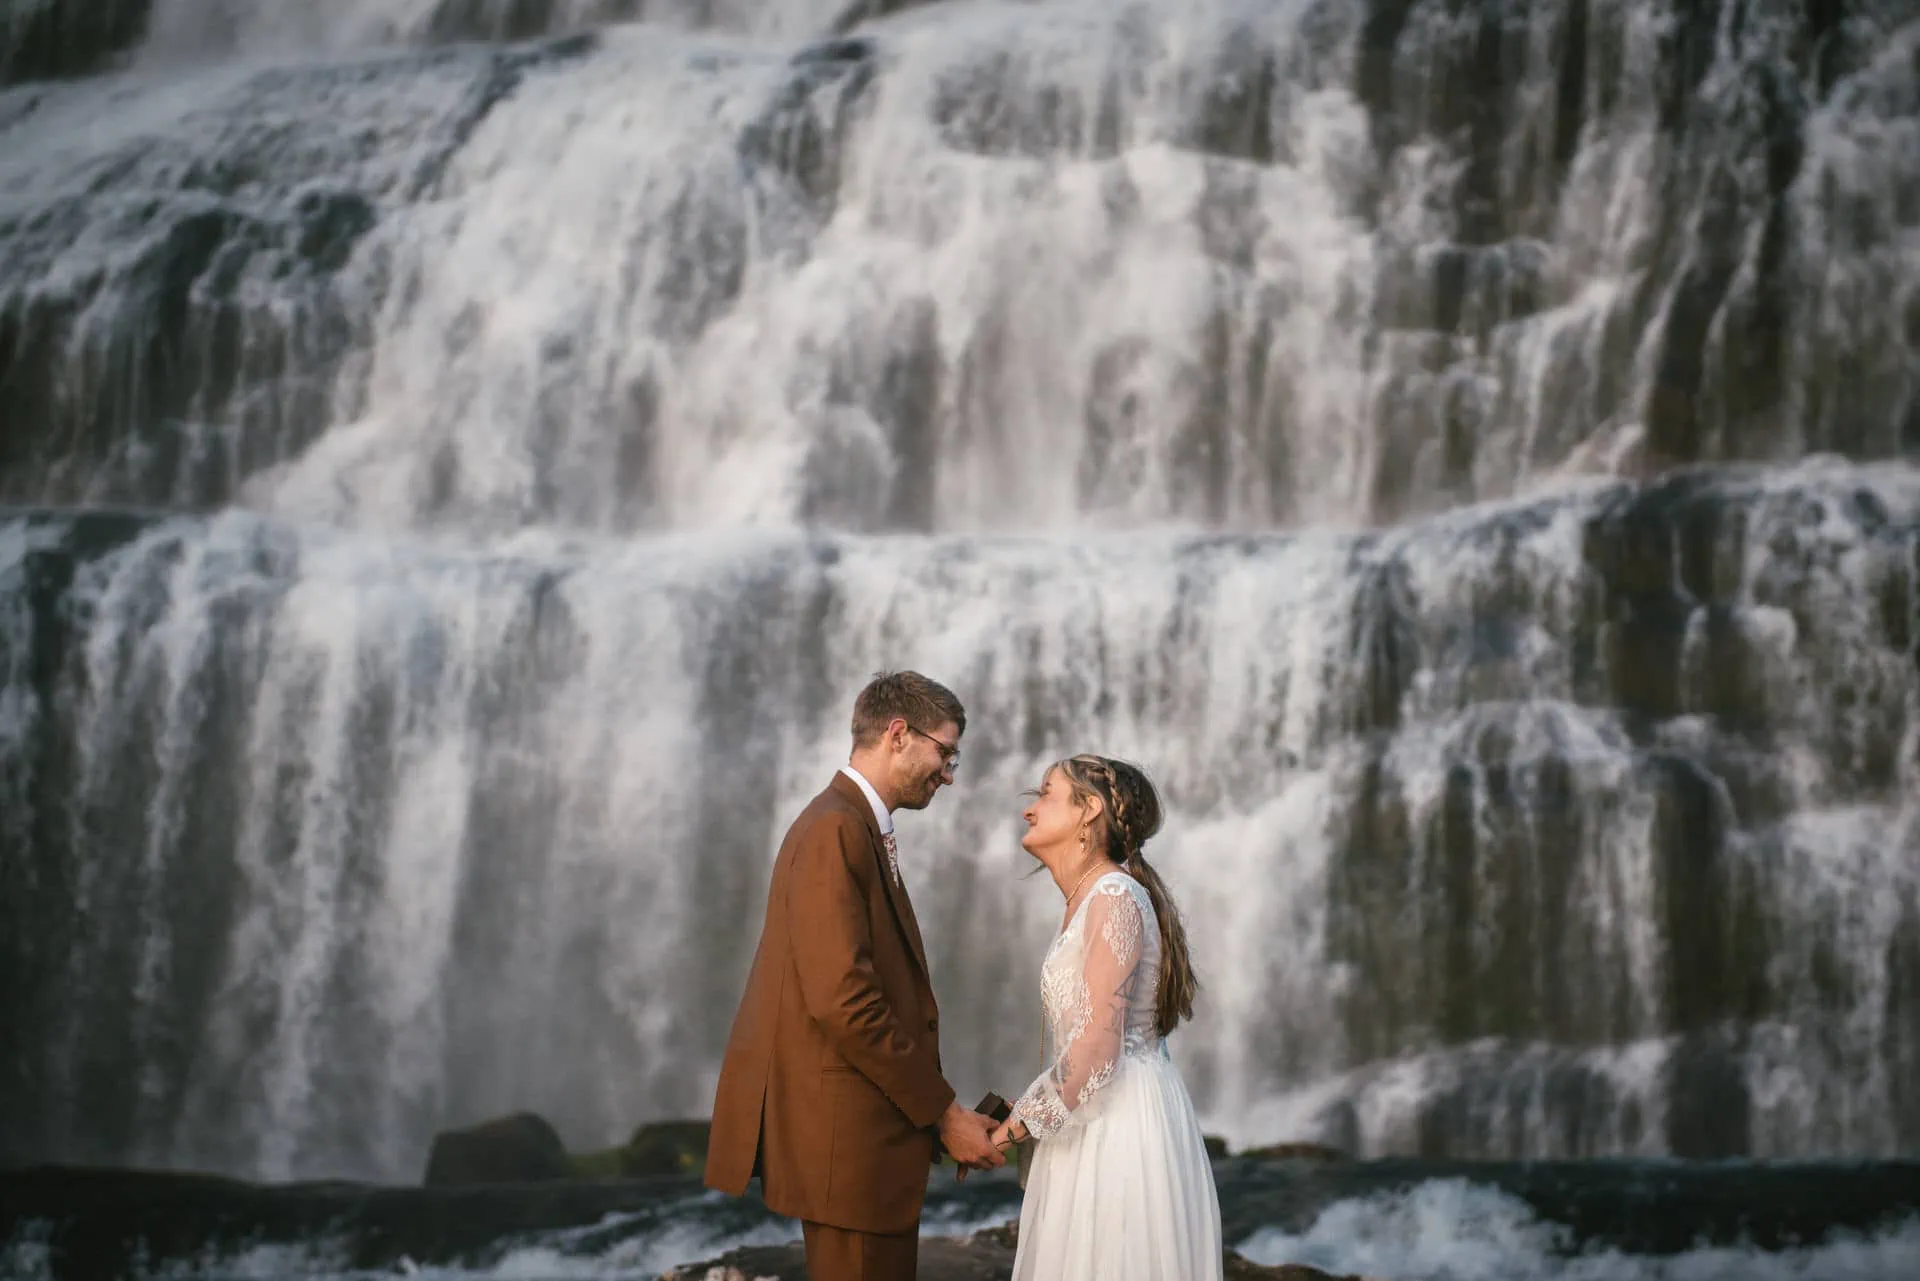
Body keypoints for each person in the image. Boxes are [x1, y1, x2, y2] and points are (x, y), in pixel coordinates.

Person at [705, 671, 1005, 1281]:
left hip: (862, 1141)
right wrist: (943, 1113)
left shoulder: (851, 826)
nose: (949, 773)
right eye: (945, 752)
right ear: (899, 734)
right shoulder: (836, 829)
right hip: (851, 1148)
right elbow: (844, 1000)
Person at [988, 754, 1223, 1281]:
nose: (1030, 810)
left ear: (1088, 810)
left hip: (1120, 1124)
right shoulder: (1098, 895)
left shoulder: (1113, 895)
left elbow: (1096, 1051)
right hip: (1096, 1114)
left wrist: (1008, 1134)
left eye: (1046, 792)